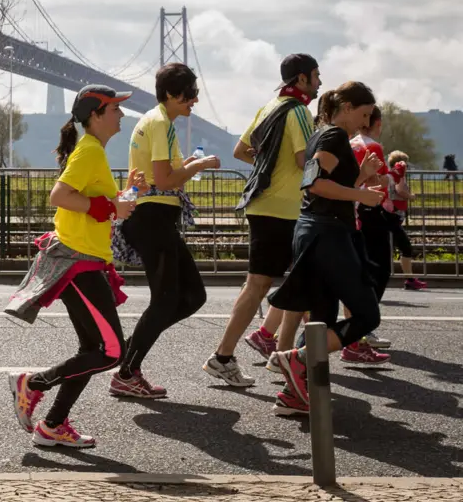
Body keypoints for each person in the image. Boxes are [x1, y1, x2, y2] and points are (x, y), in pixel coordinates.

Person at [5, 86, 140, 448]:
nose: (122, 115)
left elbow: (91, 200)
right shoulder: (90, 151)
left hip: (85, 260)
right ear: (96, 115)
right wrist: (112, 208)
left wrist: (123, 195)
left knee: (91, 351)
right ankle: (32, 384)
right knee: (112, 353)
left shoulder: (93, 151)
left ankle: (52, 426)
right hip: (79, 264)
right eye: (115, 109)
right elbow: (60, 196)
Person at [269, 82, 389, 416]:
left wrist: (361, 178)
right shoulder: (333, 136)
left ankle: (293, 393)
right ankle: (297, 359)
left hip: (317, 232)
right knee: (366, 314)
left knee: (321, 319)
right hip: (326, 235)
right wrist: (361, 195)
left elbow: (326, 187)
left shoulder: (324, 135)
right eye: (364, 114)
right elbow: (316, 184)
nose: (366, 123)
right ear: (347, 107)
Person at [203, 54, 320, 388]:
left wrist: (268, 158)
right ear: (301, 79)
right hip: (284, 209)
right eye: (316, 76)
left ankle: (256, 356)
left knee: (276, 284)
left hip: (264, 206)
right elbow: (303, 159)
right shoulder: (298, 111)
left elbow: (240, 150)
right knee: (279, 285)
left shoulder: (269, 106)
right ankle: (275, 359)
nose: (319, 82)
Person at [111, 63, 219, 399]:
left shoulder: (160, 121)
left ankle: (129, 353)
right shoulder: (159, 123)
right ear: (171, 94)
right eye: (189, 94)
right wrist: (198, 166)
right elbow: (164, 180)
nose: (195, 101)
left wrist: (190, 164)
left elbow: (166, 173)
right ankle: (127, 370)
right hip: (152, 217)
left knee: (193, 296)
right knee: (167, 300)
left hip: (158, 217)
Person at [350, 108, 395, 349]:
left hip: (355, 209)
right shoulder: (373, 146)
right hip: (371, 208)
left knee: (362, 270)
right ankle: (365, 325)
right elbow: (376, 181)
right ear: (377, 122)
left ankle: (359, 328)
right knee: (379, 270)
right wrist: (392, 177)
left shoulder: (351, 143)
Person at [386, 151, 425, 290]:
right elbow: (400, 190)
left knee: (394, 247)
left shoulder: (390, 175)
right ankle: (409, 279)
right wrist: (411, 196)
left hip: (392, 215)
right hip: (393, 216)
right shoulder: (399, 175)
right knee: (405, 247)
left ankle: (409, 278)